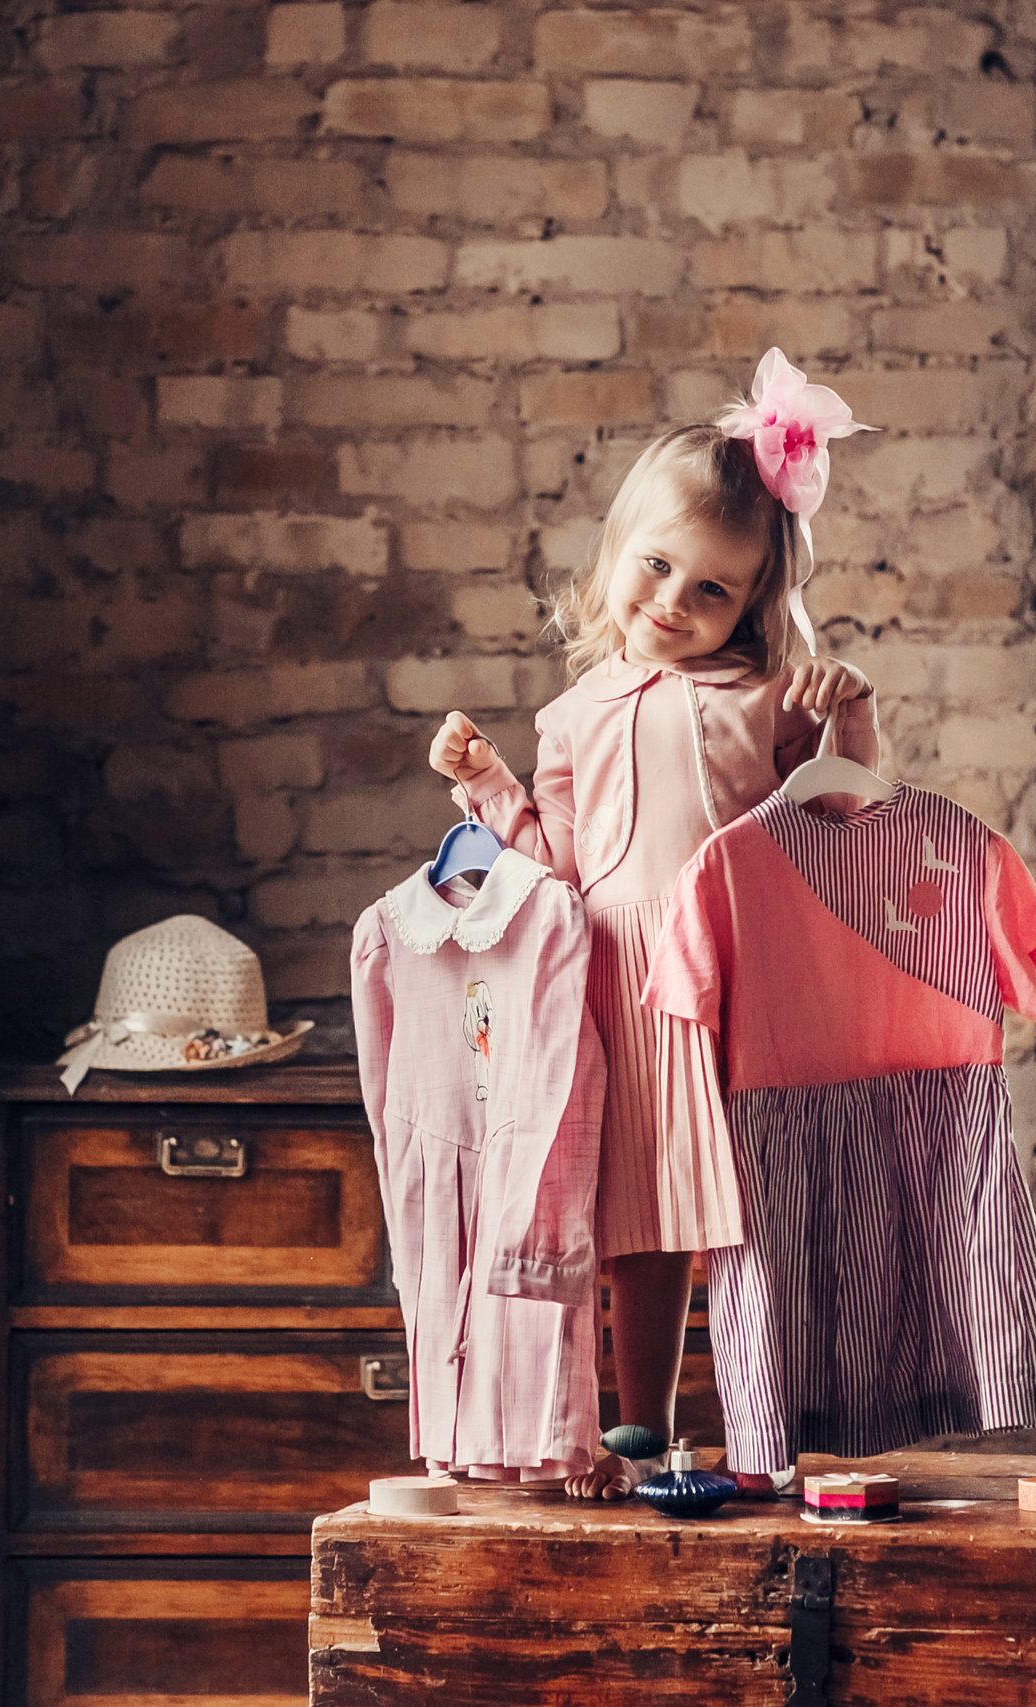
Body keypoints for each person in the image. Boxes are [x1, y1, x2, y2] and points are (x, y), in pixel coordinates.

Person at [426, 350, 878, 1498]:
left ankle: (764, 1429)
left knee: (748, 1214)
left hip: (732, 980)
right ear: (616, 552)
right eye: (658, 569)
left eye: (712, 591)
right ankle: (639, 1430)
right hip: (619, 986)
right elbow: (554, 872)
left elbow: (841, 819)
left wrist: (850, 718)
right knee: (639, 1221)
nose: (674, 604)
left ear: (752, 606)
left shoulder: (766, 700)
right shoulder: (570, 714)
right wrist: (489, 791)